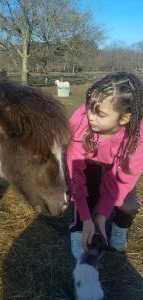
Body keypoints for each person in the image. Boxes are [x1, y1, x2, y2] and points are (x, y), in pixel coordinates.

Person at [66, 72, 143, 259]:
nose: (90, 116)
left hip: (116, 165)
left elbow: (124, 179)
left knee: (128, 205)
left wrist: (102, 216)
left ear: (124, 119)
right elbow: (75, 173)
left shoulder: (137, 138)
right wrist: (86, 218)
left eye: (99, 113)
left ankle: (118, 229)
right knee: (85, 197)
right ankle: (79, 231)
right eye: (90, 106)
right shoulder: (82, 120)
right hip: (87, 161)